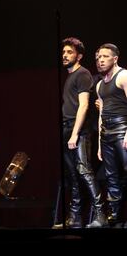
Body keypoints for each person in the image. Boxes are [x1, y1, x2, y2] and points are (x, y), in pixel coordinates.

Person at [61, 37, 107, 228]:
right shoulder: (70, 76)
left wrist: (75, 133)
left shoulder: (83, 74)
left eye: (69, 52)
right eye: (63, 52)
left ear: (79, 56)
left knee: (84, 170)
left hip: (78, 130)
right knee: (72, 173)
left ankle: (101, 214)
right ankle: (75, 216)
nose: (65, 55)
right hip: (66, 127)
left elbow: (84, 105)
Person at [96, 43, 127, 227]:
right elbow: (102, 113)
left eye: (105, 56)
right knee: (111, 176)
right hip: (106, 133)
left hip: (122, 129)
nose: (100, 60)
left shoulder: (123, 75)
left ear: (115, 59)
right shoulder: (100, 84)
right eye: (99, 57)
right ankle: (114, 216)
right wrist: (100, 143)